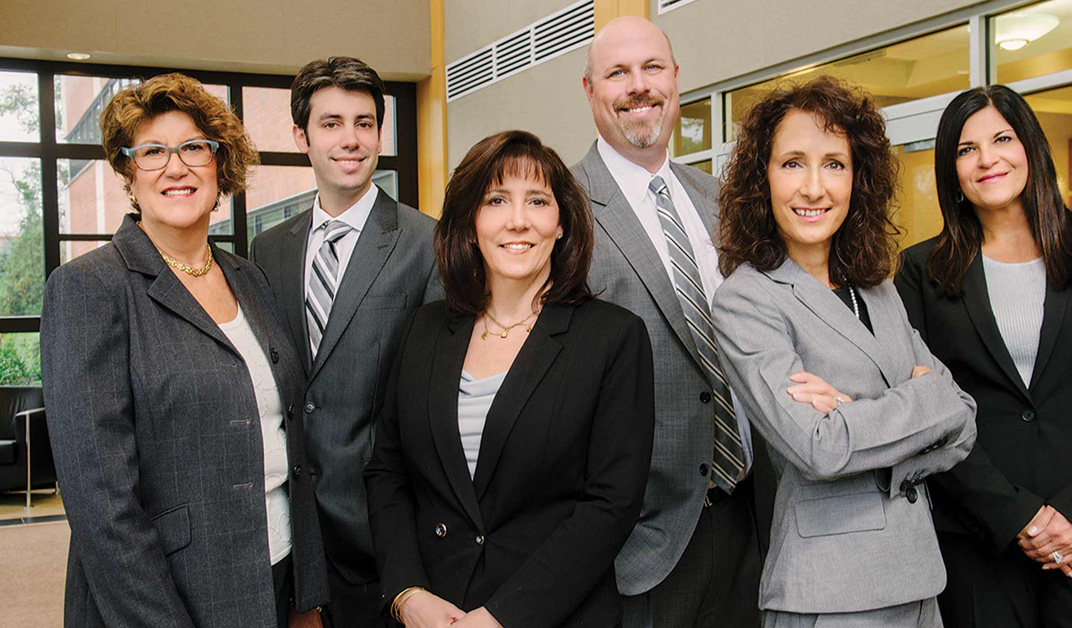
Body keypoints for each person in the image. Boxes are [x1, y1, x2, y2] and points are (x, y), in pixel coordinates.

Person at [41, 73, 327, 628]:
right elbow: (102, 509)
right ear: (128, 172)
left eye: (194, 147)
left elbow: (288, 443)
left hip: (277, 573)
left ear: (220, 162)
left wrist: (305, 595)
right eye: (152, 152)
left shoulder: (249, 277)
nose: (177, 167)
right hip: (172, 596)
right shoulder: (90, 288)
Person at [895, 84, 1072, 628]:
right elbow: (927, 411)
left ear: (1031, 147)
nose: (987, 158)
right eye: (965, 149)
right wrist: (1017, 517)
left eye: (1002, 138)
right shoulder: (920, 271)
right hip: (980, 534)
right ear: (952, 169)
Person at [711, 77, 977, 628]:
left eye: (834, 164)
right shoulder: (746, 298)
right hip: (827, 590)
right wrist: (924, 397)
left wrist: (853, 410)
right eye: (792, 164)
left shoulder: (877, 288)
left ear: (859, 179)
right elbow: (820, 448)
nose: (814, 188)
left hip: (920, 580)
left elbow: (965, 420)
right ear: (761, 179)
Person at [364, 129, 654, 628]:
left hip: (553, 615)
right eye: (496, 199)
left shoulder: (613, 338)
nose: (517, 221)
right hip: (433, 614)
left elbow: (611, 505)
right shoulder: (425, 329)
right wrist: (407, 595)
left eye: (537, 201)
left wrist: (502, 617)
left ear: (561, 223)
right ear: (472, 221)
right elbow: (386, 473)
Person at [570, 16, 774, 627]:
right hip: (642, 542)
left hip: (751, 514)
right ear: (590, 91)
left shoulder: (721, 200)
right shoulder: (564, 207)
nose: (639, 86)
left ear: (676, 79)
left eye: (652, 68)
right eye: (618, 73)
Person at [249, 56, 442, 628]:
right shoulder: (269, 249)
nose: (350, 139)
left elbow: (433, 396)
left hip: (378, 529)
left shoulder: (425, 241)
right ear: (300, 136)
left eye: (365, 123)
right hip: (288, 529)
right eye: (331, 123)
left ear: (380, 134)